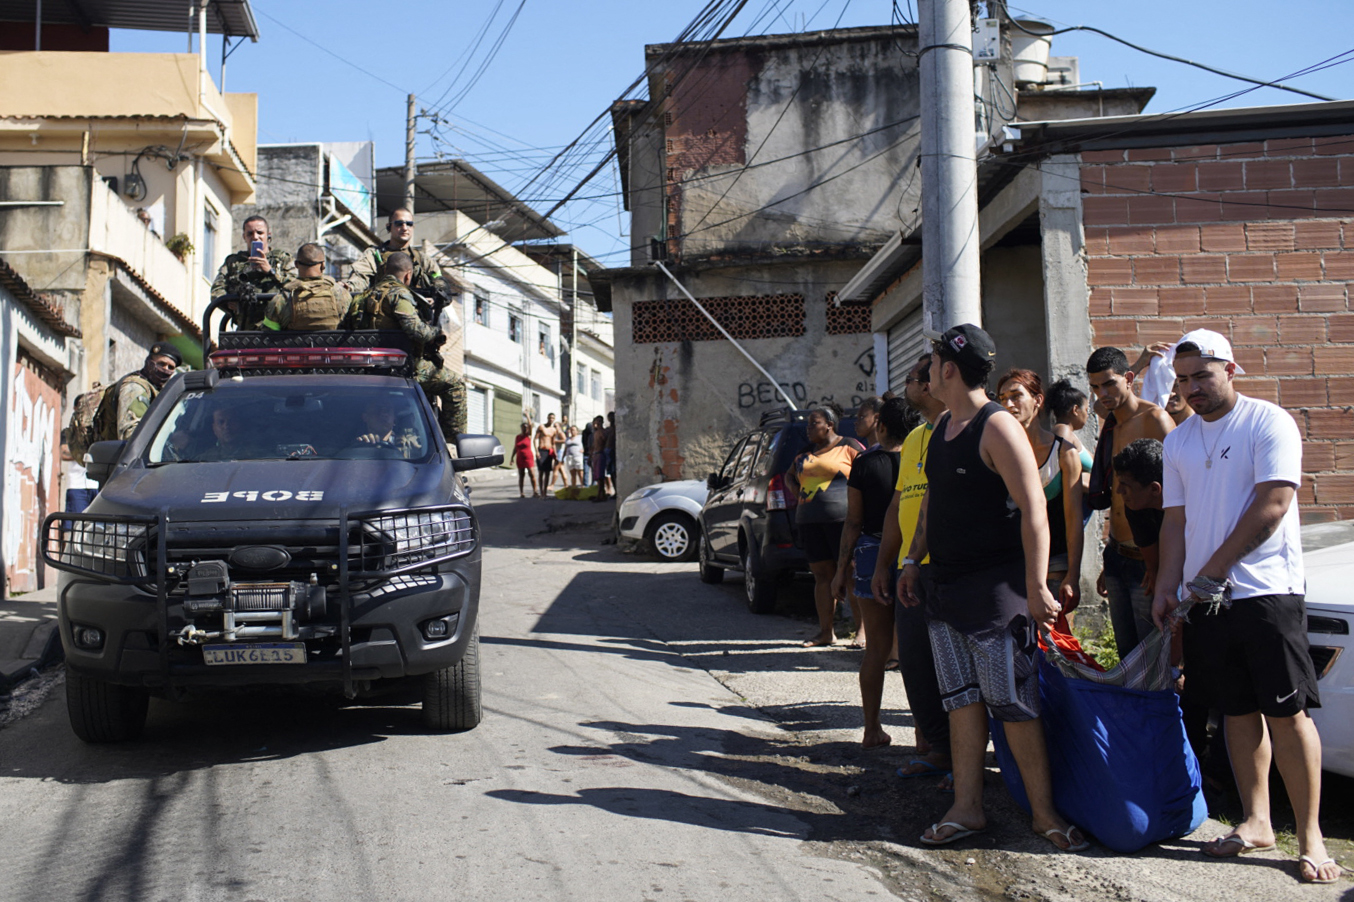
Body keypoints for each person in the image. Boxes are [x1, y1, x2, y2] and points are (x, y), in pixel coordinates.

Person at [1152, 330, 1337, 885]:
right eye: (1182, 380)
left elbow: (1273, 504)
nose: (1191, 389)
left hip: (1266, 592)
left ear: (1231, 369)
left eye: (1201, 376)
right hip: (1205, 601)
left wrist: (1210, 573)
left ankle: (1310, 837)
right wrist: (1167, 584)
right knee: (1235, 709)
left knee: (1287, 712)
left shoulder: (1268, 422)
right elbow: (1175, 522)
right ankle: (1256, 821)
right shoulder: (1179, 440)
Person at [899, 324, 1085, 852]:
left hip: (997, 594)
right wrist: (914, 558)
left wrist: (1036, 587)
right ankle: (967, 808)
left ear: (950, 369)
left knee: (1013, 702)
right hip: (945, 591)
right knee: (960, 700)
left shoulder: (997, 426)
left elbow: (1034, 512)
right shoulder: (941, 428)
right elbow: (934, 500)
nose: (928, 372)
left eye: (933, 363)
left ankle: (1045, 815)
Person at [873, 354, 952, 782]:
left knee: (957, 672)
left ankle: (968, 760)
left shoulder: (962, 430)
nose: (906, 387)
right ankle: (940, 750)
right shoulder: (917, 437)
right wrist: (886, 563)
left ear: (931, 384)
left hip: (948, 570)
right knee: (917, 666)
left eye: (910, 379)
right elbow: (899, 505)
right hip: (911, 571)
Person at [1086, 346, 1175, 659]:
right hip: (1117, 554)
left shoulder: (1155, 420)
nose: (1103, 393)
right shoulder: (1112, 422)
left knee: (1153, 657)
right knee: (1127, 655)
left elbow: (1175, 496)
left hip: (1147, 558)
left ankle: (1165, 709)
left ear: (1127, 379)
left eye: (1109, 384)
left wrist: (1162, 564)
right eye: (1095, 387)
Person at [832, 397, 905, 747]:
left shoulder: (864, 463)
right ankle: (924, 734)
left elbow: (853, 521)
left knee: (876, 649)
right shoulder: (920, 461)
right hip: (912, 555)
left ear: (882, 426)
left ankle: (871, 728)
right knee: (916, 650)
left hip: (872, 551)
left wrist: (839, 570)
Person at [995, 370, 1084, 616]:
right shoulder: (996, 453)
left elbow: (1074, 519)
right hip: (1010, 564)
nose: (1008, 404)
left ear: (1038, 400)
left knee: (1054, 640)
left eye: (1016, 396)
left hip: (1054, 563)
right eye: (1002, 399)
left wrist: (1073, 575)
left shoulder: (1063, 453)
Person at [355, 252, 465, 441]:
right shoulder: (399, 293)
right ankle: (453, 441)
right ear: (408, 275)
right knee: (455, 384)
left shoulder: (364, 295)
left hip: (365, 366)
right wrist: (435, 331)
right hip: (402, 367)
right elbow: (417, 331)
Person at [786, 406, 862, 648]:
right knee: (822, 576)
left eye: (813, 423)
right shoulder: (805, 452)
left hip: (843, 522)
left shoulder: (849, 445)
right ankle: (826, 632)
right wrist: (798, 493)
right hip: (810, 522)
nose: (808, 429)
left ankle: (862, 632)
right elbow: (789, 476)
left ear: (829, 424)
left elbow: (869, 471)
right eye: (808, 424)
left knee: (850, 573)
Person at [211, 215, 297, 329]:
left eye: (260, 233)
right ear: (244, 236)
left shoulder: (283, 259)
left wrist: (270, 271)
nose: (255, 237)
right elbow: (216, 291)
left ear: (268, 235)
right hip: (245, 328)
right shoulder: (233, 262)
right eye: (250, 233)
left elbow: (296, 287)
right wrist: (229, 304)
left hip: (277, 328)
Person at [344, 208, 446, 299]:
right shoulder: (374, 254)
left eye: (409, 224)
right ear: (389, 227)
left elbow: (439, 282)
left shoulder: (423, 259)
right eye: (399, 223)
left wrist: (436, 297)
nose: (405, 228)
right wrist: (349, 287)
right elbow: (360, 277)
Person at [97, 342, 181, 442]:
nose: (165, 369)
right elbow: (131, 436)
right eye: (161, 364)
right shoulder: (136, 388)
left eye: (170, 367)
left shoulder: (156, 389)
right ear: (149, 362)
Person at [262, 243, 353, 332]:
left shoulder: (281, 300)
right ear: (323, 265)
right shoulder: (342, 295)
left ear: (296, 264)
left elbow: (268, 336)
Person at [353, 398, 423, 458]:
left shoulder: (410, 445)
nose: (383, 414)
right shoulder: (356, 446)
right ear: (365, 417)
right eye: (377, 410)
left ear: (394, 419)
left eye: (387, 410)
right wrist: (362, 446)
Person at [536, 414, 561, 493]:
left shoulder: (554, 430)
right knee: (541, 472)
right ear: (547, 418)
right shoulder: (541, 427)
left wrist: (555, 454)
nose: (551, 419)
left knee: (547, 472)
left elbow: (553, 443)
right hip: (541, 450)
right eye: (550, 418)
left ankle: (545, 492)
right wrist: (536, 451)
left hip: (549, 451)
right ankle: (541, 491)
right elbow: (535, 439)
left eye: (553, 418)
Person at [514, 420, 538, 498]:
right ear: (521, 428)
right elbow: (515, 448)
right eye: (523, 427)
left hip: (528, 457)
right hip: (520, 457)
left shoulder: (528, 436)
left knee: (531, 474)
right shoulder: (518, 437)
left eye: (526, 427)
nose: (525, 428)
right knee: (521, 475)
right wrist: (511, 458)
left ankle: (535, 491)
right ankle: (521, 492)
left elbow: (531, 425)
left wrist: (528, 415)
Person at [590, 415, 608, 500]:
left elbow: (604, 441)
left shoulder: (603, 432)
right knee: (597, 476)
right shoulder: (595, 433)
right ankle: (602, 494)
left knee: (600, 476)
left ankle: (600, 495)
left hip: (601, 454)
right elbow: (593, 446)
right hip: (595, 454)